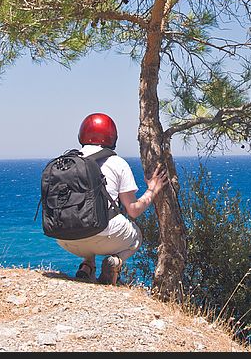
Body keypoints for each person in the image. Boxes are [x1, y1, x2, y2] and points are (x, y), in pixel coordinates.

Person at [54, 112, 168, 285]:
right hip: (104, 237)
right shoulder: (117, 163)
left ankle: (87, 266)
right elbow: (133, 210)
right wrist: (152, 189)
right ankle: (115, 262)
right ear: (112, 137)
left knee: (84, 217)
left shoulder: (67, 161)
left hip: (65, 238)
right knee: (136, 236)